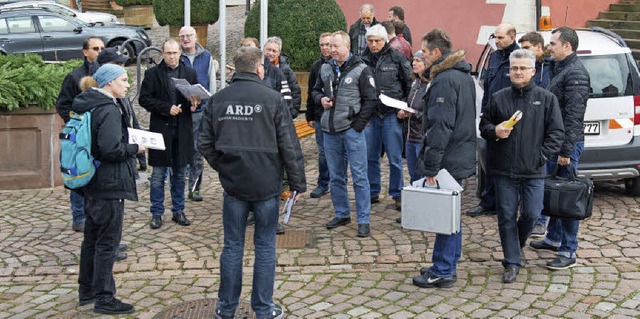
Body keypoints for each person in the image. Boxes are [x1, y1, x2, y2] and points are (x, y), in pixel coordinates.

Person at [198, 46, 306, 319]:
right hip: (266, 184)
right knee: (265, 246)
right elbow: (289, 145)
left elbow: (204, 143)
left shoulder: (218, 100)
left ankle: (226, 308)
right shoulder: (272, 99)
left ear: (235, 69)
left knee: (233, 246)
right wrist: (296, 183)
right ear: (260, 68)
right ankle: (263, 309)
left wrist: (224, 167)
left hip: (235, 184)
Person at [480, 49, 564, 283]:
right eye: (514, 68)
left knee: (532, 213)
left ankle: (515, 246)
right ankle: (512, 261)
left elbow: (556, 133)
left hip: (533, 169)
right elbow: (484, 126)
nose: (518, 72)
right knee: (506, 215)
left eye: (522, 68)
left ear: (533, 71)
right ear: (509, 71)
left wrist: (541, 156)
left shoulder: (546, 99)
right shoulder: (498, 97)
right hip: (503, 169)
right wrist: (494, 131)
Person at [73, 64, 144, 314]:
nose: (127, 84)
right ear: (109, 83)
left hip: (92, 181)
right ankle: (104, 297)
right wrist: (137, 148)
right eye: (123, 80)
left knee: (91, 239)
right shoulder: (108, 108)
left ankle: (87, 291)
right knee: (107, 243)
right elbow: (111, 149)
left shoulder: (86, 103)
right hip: (110, 183)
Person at [412, 29, 476, 288]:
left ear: (437, 53)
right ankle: (447, 261)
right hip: (458, 154)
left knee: (444, 216)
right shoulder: (462, 76)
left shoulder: (444, 80)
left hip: (448, 159)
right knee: (451, 214)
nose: (422, 57)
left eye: (425, 52)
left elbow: (440, 126)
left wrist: (431, 165)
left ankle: (444, 269)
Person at [530, 26, 590, 270]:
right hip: (556, 142)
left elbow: (574, 115)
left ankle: (568, 249)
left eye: (553, 43)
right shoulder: (561, 68)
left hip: (566, 145)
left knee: (567, 197)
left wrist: (565, 151)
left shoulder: (576, 73)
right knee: (554, 192)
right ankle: (554, 238)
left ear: (567, 46)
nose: (549, 47)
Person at [311, 31, 377, 238]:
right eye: (330, 47)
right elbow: (314, 91)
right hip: (329, 131)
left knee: (359, 177)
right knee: (336, 176)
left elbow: (371, 100)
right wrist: (321, 99)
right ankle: (342, 213)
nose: (332, 50)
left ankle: (363, 220)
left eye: (335, 46)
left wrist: (357, 126)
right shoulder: (325, 68)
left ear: (347, 47)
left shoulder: (361, 69)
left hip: (351, 131)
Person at [139, 39, 199, 230]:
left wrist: (195, 103)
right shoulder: (152, 74)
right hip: (161, 128)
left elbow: (196, 97)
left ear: (180, 53)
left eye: (175, 53)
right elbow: (144, 99)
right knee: (158, 175)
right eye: (168, 53)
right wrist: (166, 108)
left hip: (182, 130)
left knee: (181, 174)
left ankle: (178, 210)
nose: (172, 56)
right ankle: (156, 212)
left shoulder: (189, 72)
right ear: (162, 54)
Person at [468, 23, 520, 218]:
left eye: (501, 38)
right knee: (490, 163)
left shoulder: (518, 58)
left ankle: (507, 205)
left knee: (509, 166)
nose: (497, 41)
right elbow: (488, 86)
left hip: (510, 120)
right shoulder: (495, 56)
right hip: (491, 118)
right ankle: (488, 201)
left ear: (512, 36)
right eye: (495, 38)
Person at [56, 36, 104, 233]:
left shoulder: (107, 75)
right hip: (81, 136)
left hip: (101, 135)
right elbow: (62, 105)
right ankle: (79, 216)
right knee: (79, 175)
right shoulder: (74, 76)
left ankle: (97, 216)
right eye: (95, 48)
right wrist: (77, 123)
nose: (99, 51)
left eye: (102, 48)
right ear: (85, 52)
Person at [361, 24, 412, 211]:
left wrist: (405, 106)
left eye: (377, 41)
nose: (373, 44)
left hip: (392, 114)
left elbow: (410, 84)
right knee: (371, 157)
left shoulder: (397, 57)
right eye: (370, 40)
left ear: (384, 40)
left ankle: (397, 193)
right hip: (371, 115)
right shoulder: (361, 60)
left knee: (394, 157)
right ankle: (373, 191)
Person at [178, 26, 219, 202]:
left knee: (197, 150)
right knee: (180, 149)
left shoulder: (206, 56)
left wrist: (210, 105)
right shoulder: (175, 56)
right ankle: (178, 184)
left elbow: (211, 83)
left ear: (196, 37)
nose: (186, 39)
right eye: (183, 36)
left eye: (189, 36)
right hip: (180, 110)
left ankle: (194, 188)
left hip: (201, 111)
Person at [518, 31, 553, 237]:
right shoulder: (524, 68)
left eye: (528, 48)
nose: (524, 52)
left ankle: (540, 219)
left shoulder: (549, 68)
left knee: (542, 178)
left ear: (539, 47)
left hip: (542, 131)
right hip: (524, 129)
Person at [306, 32, 333, 199]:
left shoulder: (340, 64)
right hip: (319, 114)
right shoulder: (316, 66)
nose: (325, 48)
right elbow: (311, 91)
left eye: (328, 45)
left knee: (337, 152)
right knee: (323, 152)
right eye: (322, 45)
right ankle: (323, 183)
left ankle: (337, 181)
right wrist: (310, 116)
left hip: (337, 116)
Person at [263, 36, 302, 119]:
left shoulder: (286, 71)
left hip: (281, 116)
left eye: (274, 51)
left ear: (279, 53)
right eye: (268, 49)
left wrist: (292, 113)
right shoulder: (257, 67)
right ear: (263, 49)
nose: (271, 53)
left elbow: (295, 92)